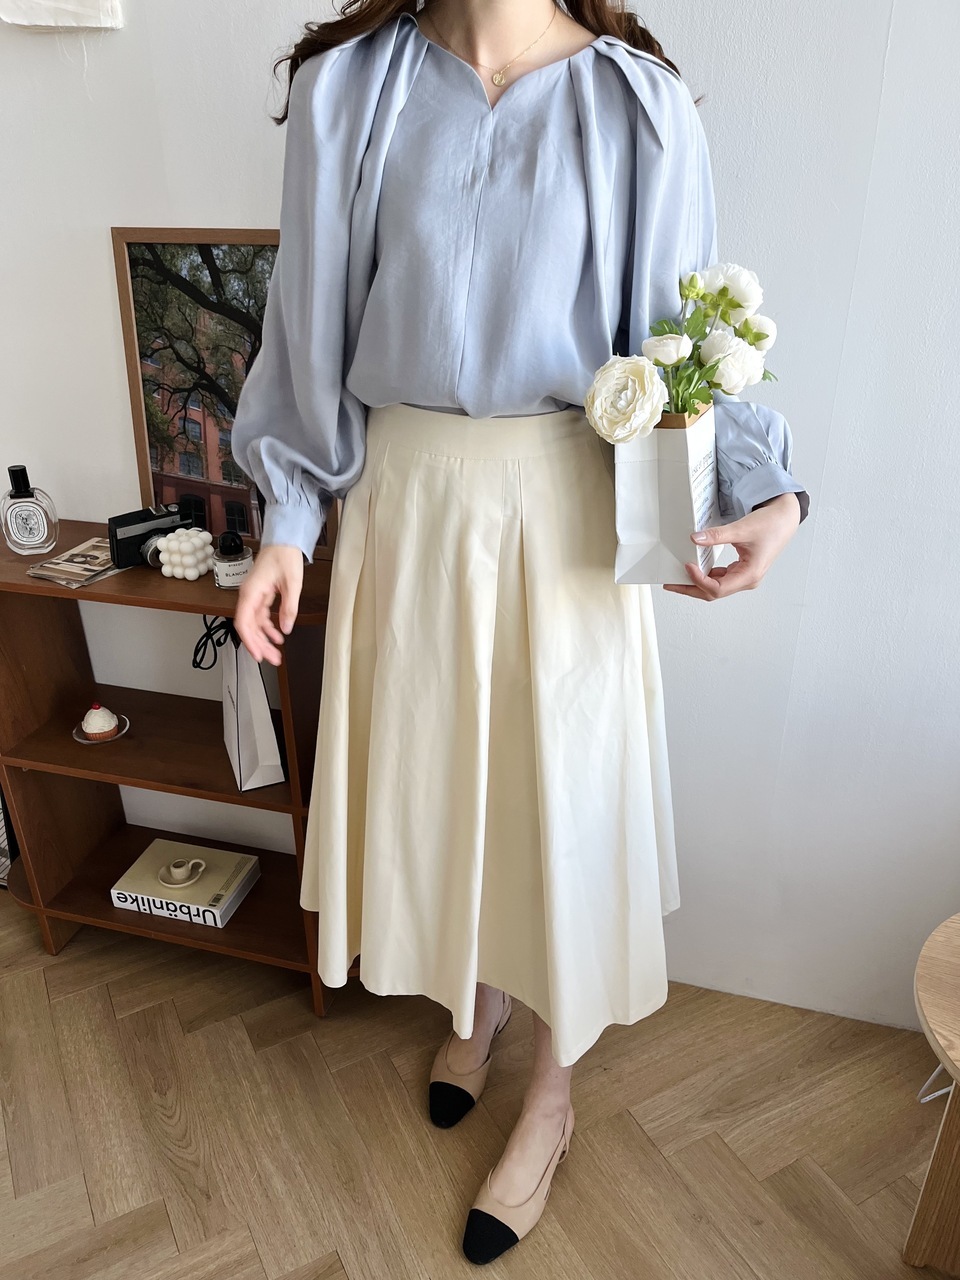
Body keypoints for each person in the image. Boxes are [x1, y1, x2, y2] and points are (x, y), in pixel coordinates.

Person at [230, 0, 810, 1265]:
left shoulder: (637, 104)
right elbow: (306, 325)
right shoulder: (351, 88)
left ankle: (551, 1091)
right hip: (407, 502)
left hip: (568, 506)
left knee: (562, 802)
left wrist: (770, 490)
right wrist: (288, 521)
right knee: (450, 782)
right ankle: (477, 1003)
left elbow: (683, 339)